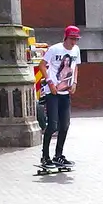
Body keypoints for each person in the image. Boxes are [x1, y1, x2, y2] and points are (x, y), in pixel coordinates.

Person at [41, 25, 80, 169]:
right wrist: (50, 82)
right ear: (66, 37)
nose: (74, 42)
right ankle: (45, 157)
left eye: (76, 39)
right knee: (53, 125)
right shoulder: (54, 49)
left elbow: (76, 67)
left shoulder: (76, 50)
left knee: (65, 125)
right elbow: (42, 65)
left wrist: (75, 82)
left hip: (65, 92)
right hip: (53, 93)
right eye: (71, 39)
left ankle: (58, 155)